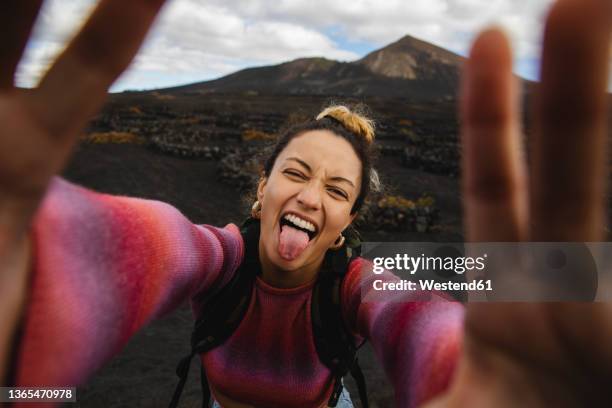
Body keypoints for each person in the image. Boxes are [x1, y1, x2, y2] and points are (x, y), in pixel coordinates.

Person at [0, 0, 609, 407]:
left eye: (339, 191)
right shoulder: (222, 256)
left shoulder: (358, 284)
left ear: (348, 223)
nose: (311, 197)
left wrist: (573, 278)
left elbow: (414, 304)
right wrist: (47, 258)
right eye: (295, 172)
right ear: (262, 188)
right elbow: (162, 244)